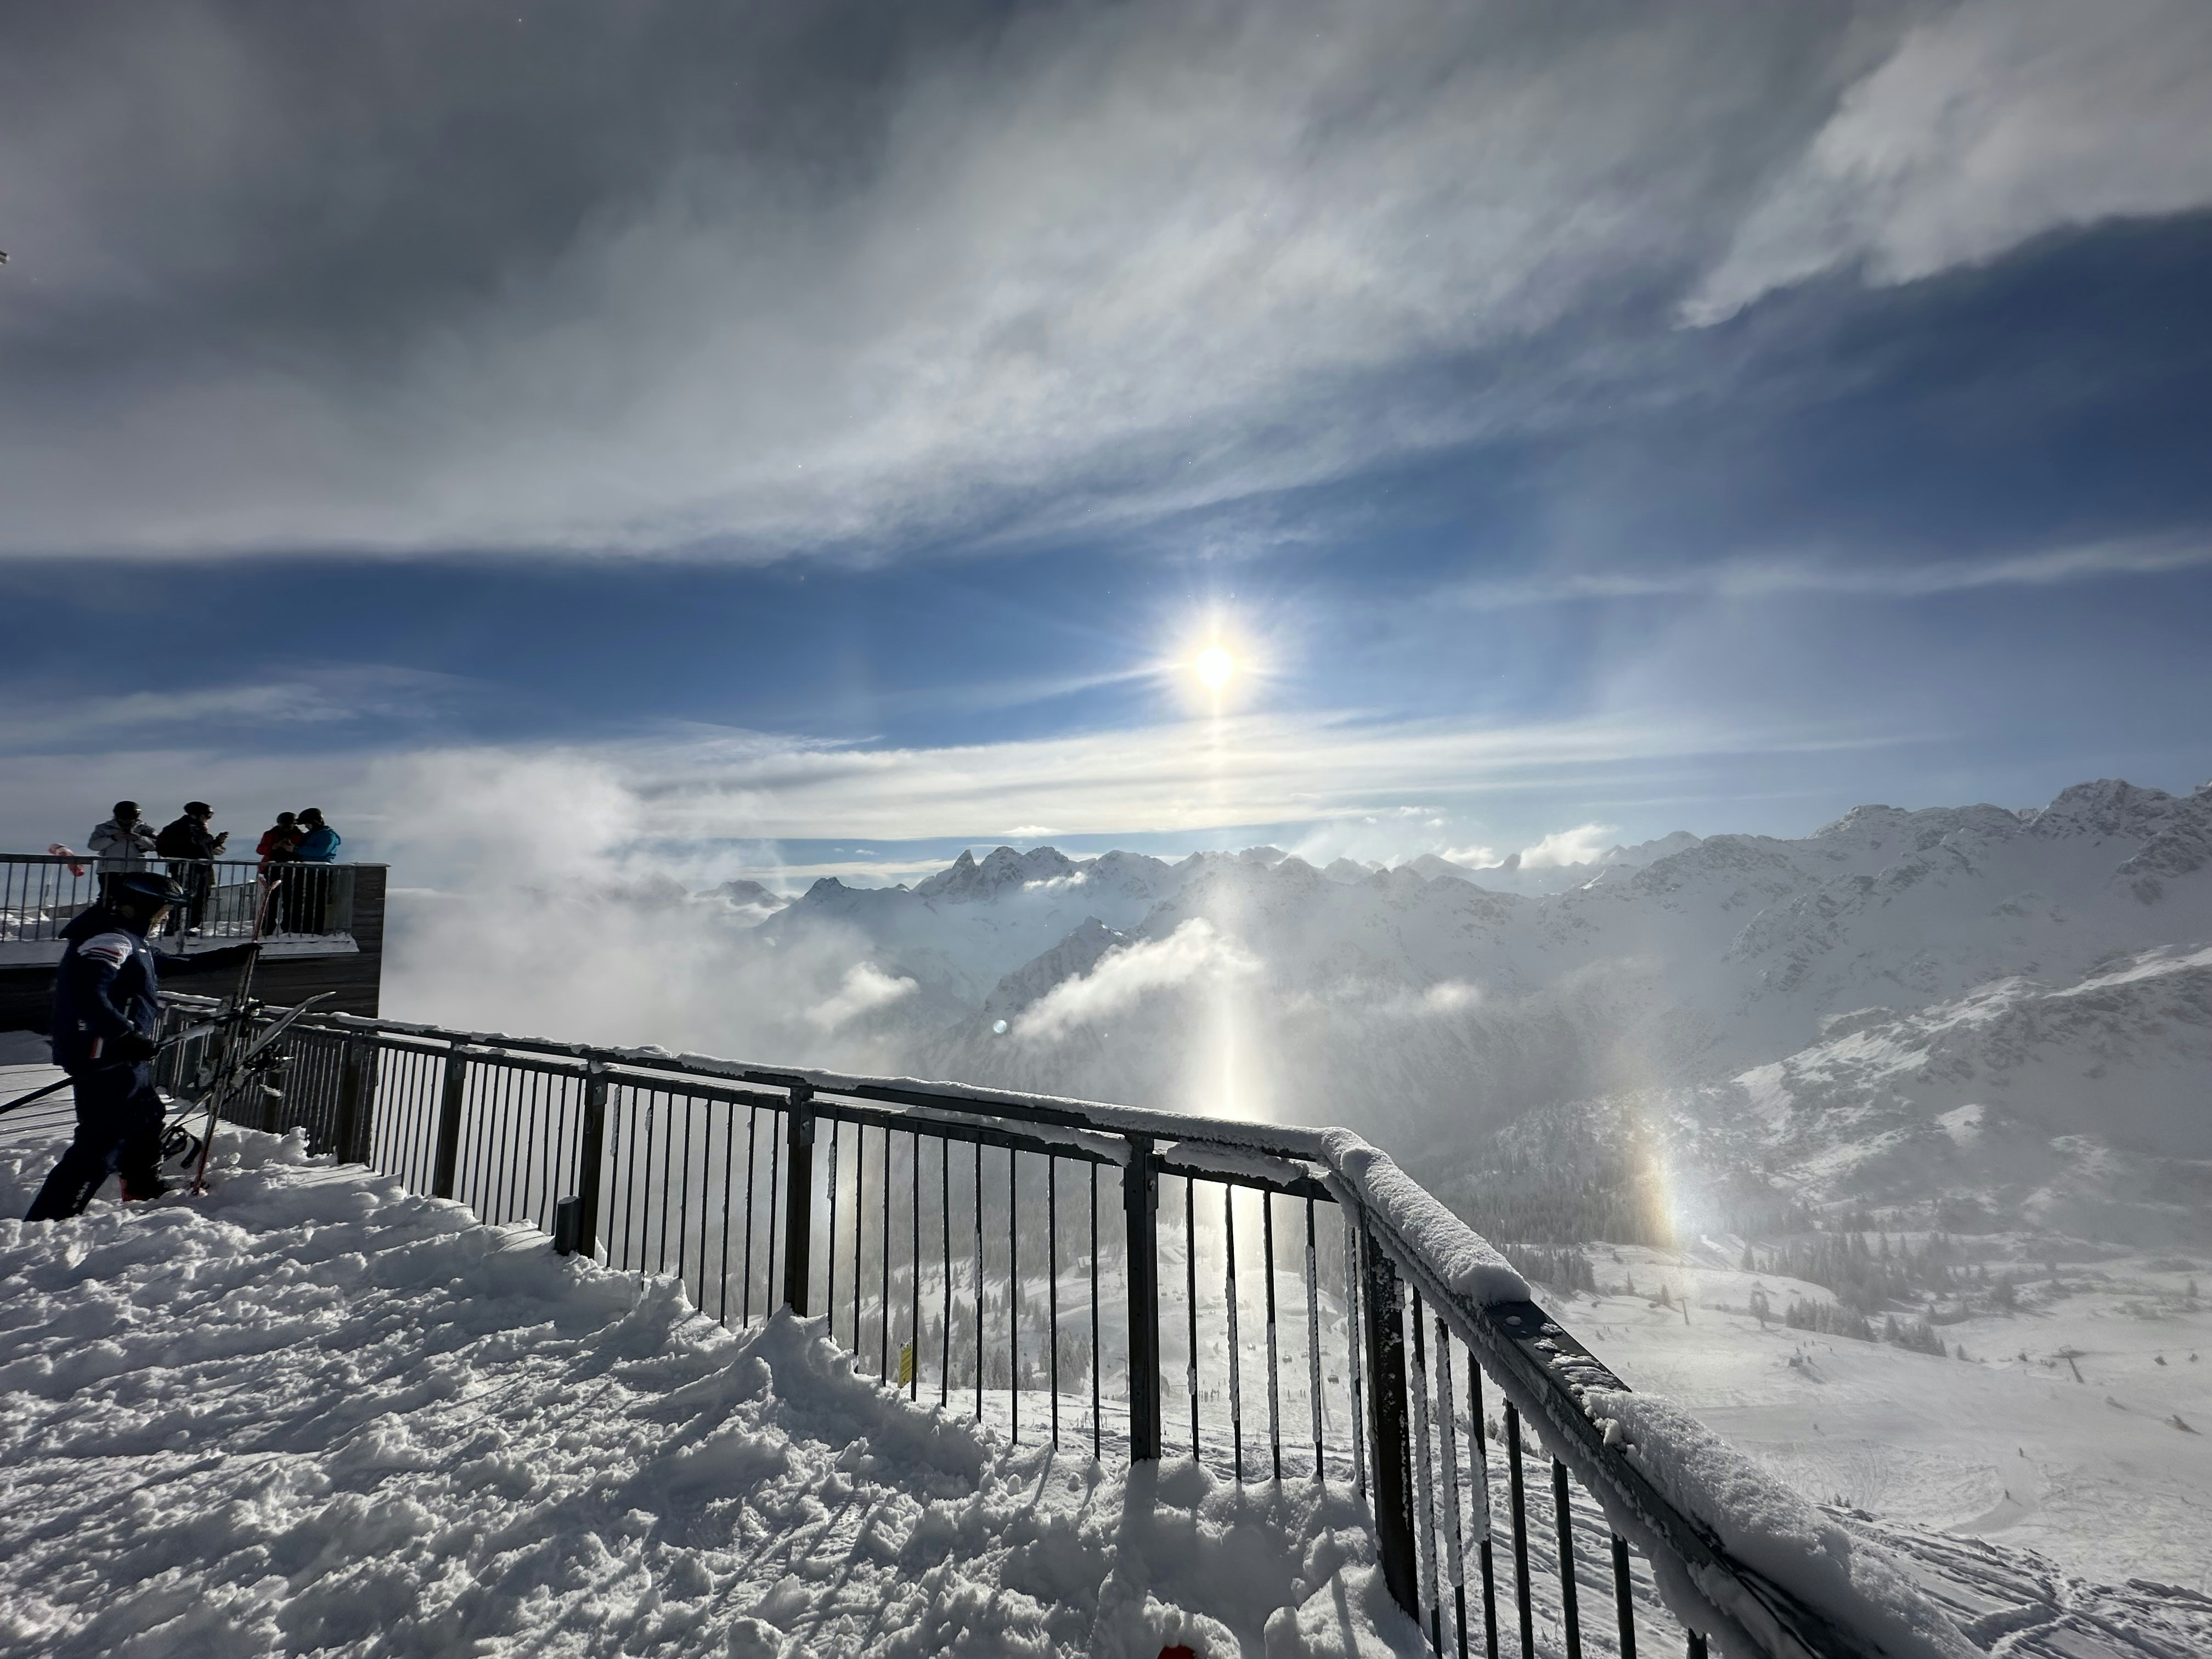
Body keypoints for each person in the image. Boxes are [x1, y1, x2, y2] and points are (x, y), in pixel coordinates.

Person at [22, 871, 251, 1221]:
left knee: (147, 1117)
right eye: (163, 908)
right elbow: (85, 992)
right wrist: (123, 1034)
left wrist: (233, 956)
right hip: (105, 1055)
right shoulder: (111, 940)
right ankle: (49, 1218)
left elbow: (169, 964)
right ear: (141, 906)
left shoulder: (130, 940)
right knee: (101, 1141)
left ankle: (141, 1186)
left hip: (122, 1055)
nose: (165, 916)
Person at [154, 801, 228, 936]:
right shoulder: (180, 828)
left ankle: (192, 925)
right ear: (196, 815)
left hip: (203, 868)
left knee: (201, 896)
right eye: (206, 816)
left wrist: (217, 842)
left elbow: (204, 847)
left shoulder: (199, 829)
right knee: (185, 895)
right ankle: (176, 926)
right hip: (186, 868)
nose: (207, 819)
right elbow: (185, 847)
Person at [287, 808, 341, 932]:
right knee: (300, 900)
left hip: (320, 871)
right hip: (305, 870)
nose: (306, 826)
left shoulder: (328, 835)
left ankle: (314, 929)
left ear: (315, 822)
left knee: (316, 901)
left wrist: (296, 850)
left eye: (307, 823)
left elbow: (321, 851)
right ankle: (299, 928)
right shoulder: (310, 834)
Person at [87, 801, 157, 873]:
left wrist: (139, 839)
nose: (127, 821)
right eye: (124, 818)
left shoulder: (146, 830)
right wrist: (113, 838)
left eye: (130, 818)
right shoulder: (104, 828)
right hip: (109, 871)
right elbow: (93, 846)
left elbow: (158, 846)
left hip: (137, 871)